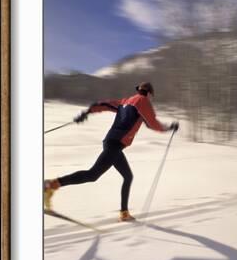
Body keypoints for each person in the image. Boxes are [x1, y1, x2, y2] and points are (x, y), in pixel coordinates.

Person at [44, 82, 179, 221]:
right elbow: (151, 123)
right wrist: (169, 128)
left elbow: (103, 104)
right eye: (151, 96)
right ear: (149, 93)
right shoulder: (143, 102)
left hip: (112, 143)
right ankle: (51, 185)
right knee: (92, 174)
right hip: (115, 144)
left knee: (127, 176)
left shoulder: (125, 101)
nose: (150, 98)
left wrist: (87, 112)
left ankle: (124, 213)